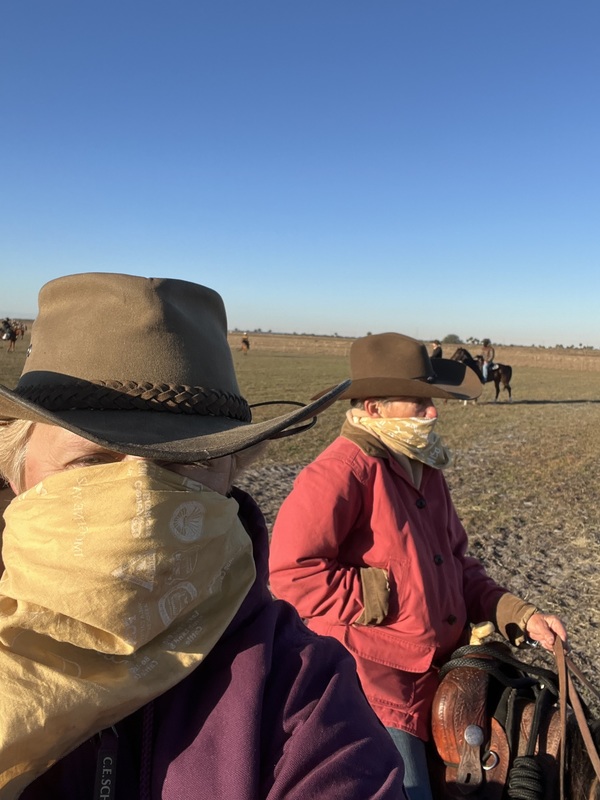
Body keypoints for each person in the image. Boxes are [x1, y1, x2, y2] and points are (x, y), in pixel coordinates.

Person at [0, 274, 407, 799]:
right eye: (92, 462)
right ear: (17, 473)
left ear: (231, 475)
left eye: (185, 462)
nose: (141, 497)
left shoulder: (304, 697)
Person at [268, 332, 568, 800]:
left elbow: (459, 564)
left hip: (444, 669)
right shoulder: (339, 472)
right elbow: (291, 574)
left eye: (431, 400)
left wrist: (519, 613)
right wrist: (379, 593)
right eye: (417, 402)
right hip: (378, 683)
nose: (432, 412)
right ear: (372, 408)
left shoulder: (425, 468)